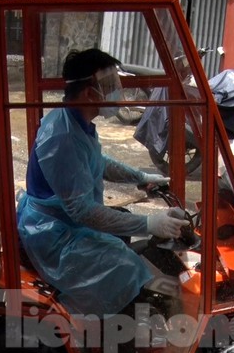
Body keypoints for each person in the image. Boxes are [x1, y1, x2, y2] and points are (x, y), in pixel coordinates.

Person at [16, 48, 189, 317]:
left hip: (66, 220)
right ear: (88, 93)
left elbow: (99, 160)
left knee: (122, 222)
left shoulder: (76, 122)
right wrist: (149, 223)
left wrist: (141, 177)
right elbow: (83, 212)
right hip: (54, 235)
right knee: (127, 264)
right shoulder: (61, 137)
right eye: (108, 86)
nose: (114, 92)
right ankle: (107, 335)